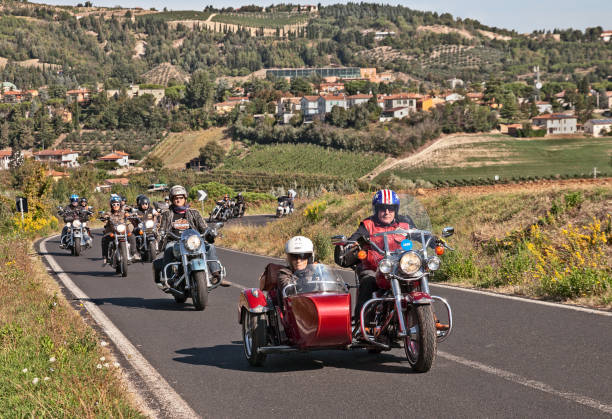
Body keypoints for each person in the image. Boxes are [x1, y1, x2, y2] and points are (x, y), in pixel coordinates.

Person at [342, 189, 413, 321]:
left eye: (390, 208)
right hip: (373, 268)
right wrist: (349, 243)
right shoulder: (368, 225)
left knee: (416, 278)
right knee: (368, 281)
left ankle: (430, 319)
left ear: (396, 210)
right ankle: (363, 323)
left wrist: (434, 241)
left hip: (400, 268)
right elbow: (355, 238)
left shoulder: (405, 223)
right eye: (382, 208)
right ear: (376, 209)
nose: (387, 212)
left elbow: (421, 234)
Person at [153, 185, 226, 287]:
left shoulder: (194, 213)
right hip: (176, 242)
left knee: (210, 247)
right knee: (169, 248)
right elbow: (160, 228)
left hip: (193, 242)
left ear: (185, 198)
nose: (178, 200)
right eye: (175, 198)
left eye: (181, 198)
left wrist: (210, 232)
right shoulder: (166, 214)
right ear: (172, 199)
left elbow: (204, 227)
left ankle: (216, 275)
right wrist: (160, 233)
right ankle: (168, 279)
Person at [101, 195, 138, 264]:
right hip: (112, 231)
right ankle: (105, 257)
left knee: (132, 236)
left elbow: (130, 214)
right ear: (111, 205)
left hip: (123, 230)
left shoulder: (123, 212)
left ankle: (134, 253)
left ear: (120, 204)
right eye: (114, 204)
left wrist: (131, 215)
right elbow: (104, 216)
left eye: (117, 204)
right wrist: (104, 217)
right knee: (104, 238)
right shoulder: (109, 213)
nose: (115, 206)